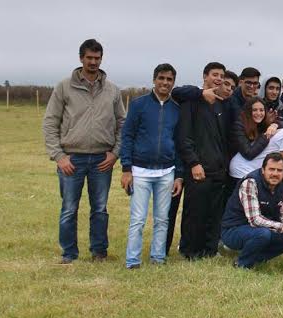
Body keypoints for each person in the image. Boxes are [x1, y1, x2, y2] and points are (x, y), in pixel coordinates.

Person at [43, 39, 126, 263]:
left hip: (102, 159)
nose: (93, 62)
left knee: (100, 208)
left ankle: (99, 252)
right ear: (81, 58)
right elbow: (50, 123)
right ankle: (69, 254)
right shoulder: (64, 87)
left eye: (97, 58)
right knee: (69, 208)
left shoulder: (112, 90)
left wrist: (115, 153)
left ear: (101, 59)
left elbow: (122, 124)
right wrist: (59, 156)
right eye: (89, 58)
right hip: (72, 159)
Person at [119, 63, 183, 269]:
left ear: (173, 82)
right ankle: (133, 260)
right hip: (140, 171)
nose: (165, 82)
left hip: (166, 172)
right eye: (161, 78)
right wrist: (126, 169)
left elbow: (179, 143)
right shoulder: (139, 105)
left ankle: (158, 258)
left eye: (169, 79)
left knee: (162, 219)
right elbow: (127, 136)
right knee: (138, 219)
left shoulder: (176, 109)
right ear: (154, 80)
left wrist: (179, 175)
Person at [176, 62, 231, 260]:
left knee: (213, 213)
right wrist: (193, 163)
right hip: (199, 167)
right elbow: (184, 137)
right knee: (195, 212)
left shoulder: (221, 103)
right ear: (204, 76)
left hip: (218, 168)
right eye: (214, 74)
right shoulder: (191, 101)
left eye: (221, 75)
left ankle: (209, 250)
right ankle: (190, 250)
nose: (218, 78)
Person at [220, 153, 283, 268]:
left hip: (260, 229)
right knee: (263, 234)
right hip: (234, 229)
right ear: (263, 170)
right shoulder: (250, 183)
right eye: (271, 169)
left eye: (279, 170)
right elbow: (255, 220)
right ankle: (241, 264)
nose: (275, 174)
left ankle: (255, 259)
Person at [228, 98, 280, 181]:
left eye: (261, 110)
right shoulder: (239, 126)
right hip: (238, 172)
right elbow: (249, 153)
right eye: (254, 110)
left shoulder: (261, 123)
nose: (258, 113)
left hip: (251, 170)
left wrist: (274, 125)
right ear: (248, 112)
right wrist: (266, 135)